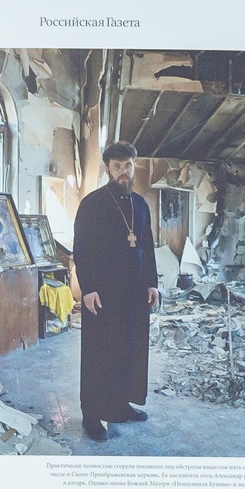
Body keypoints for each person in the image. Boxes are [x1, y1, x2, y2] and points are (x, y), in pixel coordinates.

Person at [71, 141, 159, 443]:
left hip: (134, 294)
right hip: (103, 295)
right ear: (108, 169)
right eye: (117, 166)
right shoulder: (92, 204)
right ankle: (91, 414)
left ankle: (121, 404)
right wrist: (88, 289)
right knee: (99, 354)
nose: (124, 171)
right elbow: (81, 250)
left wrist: (152, 283)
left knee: (128, 352)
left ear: (134, 166)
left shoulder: (140, 205)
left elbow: (147, 246)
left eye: (128, 165)